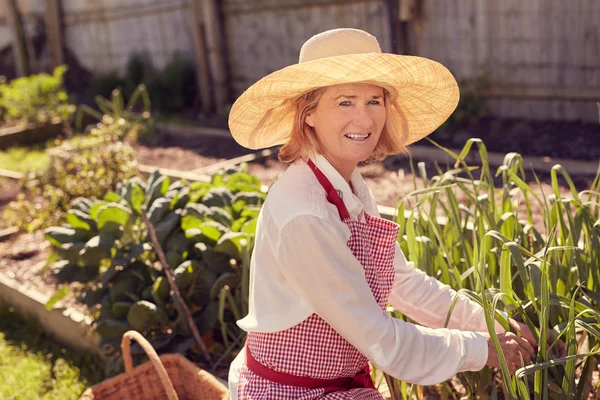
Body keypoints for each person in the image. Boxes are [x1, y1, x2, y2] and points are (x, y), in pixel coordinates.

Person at [226, 28, 544, 399]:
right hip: (292, 393)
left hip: (339, 384)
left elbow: (401, 283)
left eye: (374, 101)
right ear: (308, 114)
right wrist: (483, 349)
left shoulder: (347, 185)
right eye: (345, 102)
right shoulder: (305, 213)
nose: (364, 119)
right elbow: (380, 339)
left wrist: (495, 325)